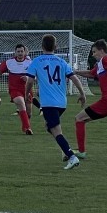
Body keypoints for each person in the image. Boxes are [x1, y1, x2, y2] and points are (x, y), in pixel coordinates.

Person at [24, 34, 86, 170]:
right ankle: (65, 151)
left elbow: (29, 81)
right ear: (56, 47)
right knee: (49, 127)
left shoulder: (37, 61)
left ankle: (71, 156)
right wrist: (82, 93)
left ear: (41, 47)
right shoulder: (62, 62)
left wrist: (26, 94)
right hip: (62, 103)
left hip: (48, 103)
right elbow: (75, 79)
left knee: (56, 131)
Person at [0, 43, 35, 135]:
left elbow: (35, 77)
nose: (20, 53)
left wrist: (28, 79)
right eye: (18, 51)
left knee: (29, 113)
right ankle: (28, 128)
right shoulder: (9, 62)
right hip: (15, 89)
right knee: (21, 103)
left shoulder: (30, 63)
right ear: (15, 52)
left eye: (21, 51)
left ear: (24, 52)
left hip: (27, 90)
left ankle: (25, 126)